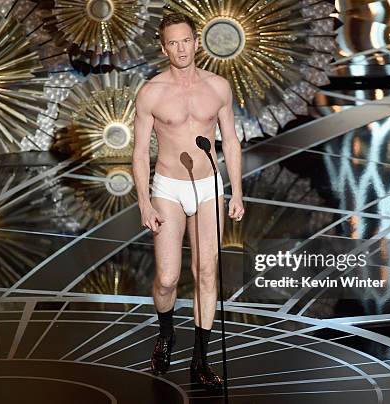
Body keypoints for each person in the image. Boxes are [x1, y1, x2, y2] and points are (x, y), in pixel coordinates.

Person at [131, 12, 244, 392]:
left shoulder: (218, 87)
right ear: (164, 48)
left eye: (186, 41)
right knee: (167, 279)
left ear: (197, 42)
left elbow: (230, 141)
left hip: (209, 187)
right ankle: (166, 334)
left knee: (207, 271)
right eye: (173, 43)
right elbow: (137, 151)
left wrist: (237, 192)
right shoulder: (151, 92)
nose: (181, 48)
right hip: (168, 189)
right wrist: (144, 201)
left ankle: (201, 359)